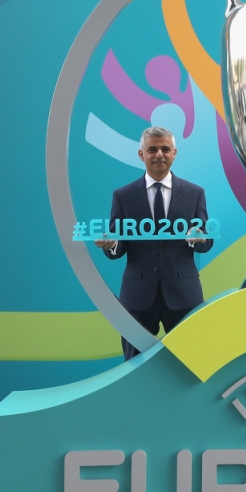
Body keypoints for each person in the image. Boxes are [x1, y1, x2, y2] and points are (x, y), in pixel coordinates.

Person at [95, 126, 214, 360]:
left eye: (165, 149)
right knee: (135, 367)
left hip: (183, 294)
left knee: (190, 363)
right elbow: (117, 241)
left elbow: (206, 239)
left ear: (174, 153)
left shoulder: (194, 193)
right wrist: (112, 246)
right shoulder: (123, 195)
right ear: (142, 155)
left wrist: (199, 239)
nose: (159, 154)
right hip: (138, 295)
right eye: (152, 149)